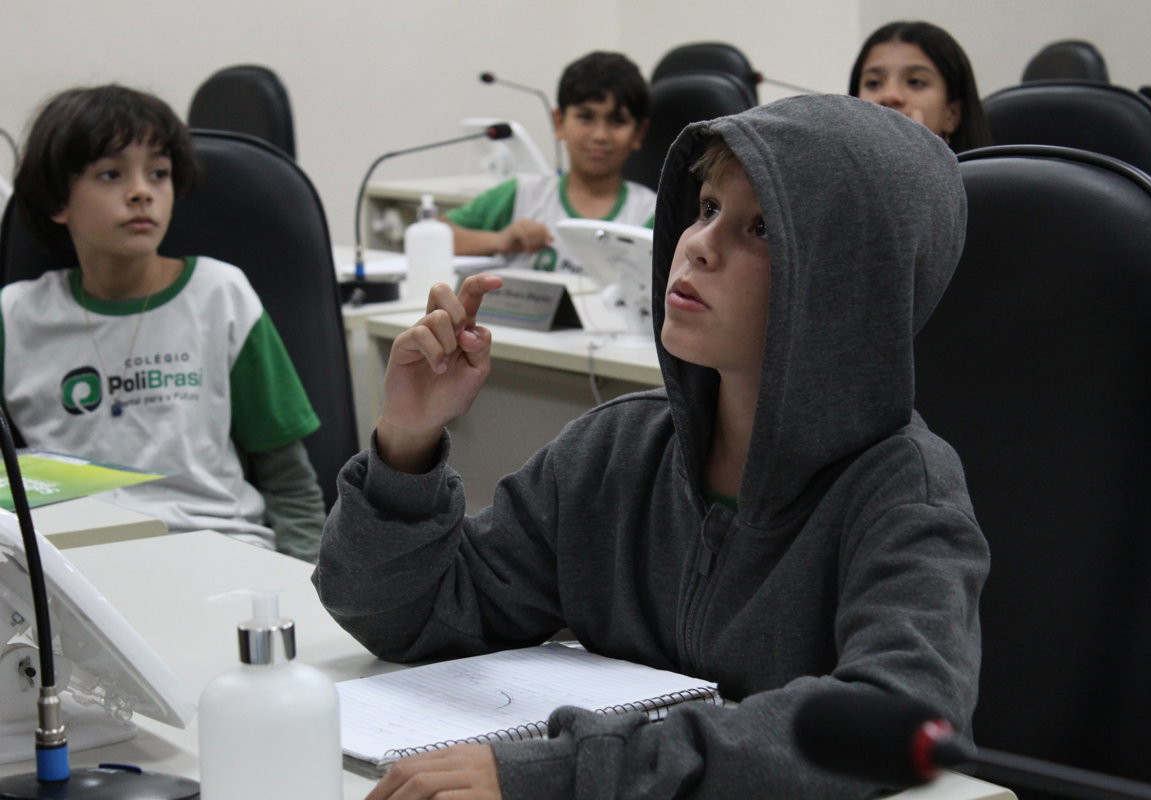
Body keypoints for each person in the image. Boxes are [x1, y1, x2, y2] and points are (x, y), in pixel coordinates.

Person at [314, 94, 988, 798]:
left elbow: (901, 721)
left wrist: (567, 774)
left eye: (760, 227)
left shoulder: (904, 490)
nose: (699, 243)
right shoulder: (618, 451)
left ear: (849, 287)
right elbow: (408, 619)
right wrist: (407, 444)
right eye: (705, 208)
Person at [3, 84, 326, 561]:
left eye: (159, 173)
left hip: (217, 548)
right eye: (111, 174)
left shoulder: (219, 294)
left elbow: (289, 479)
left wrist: (311, 584)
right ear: (58, 200)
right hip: (72, 564)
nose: (141, 192)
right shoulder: (15, 315)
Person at [446, 51, 656, 272]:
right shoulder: (522, 195)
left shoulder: (651, 214)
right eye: (585, 117)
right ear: (559, 122)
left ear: (639, 133)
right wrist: (498, 240)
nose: (599, 135)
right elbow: (436, 234)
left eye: (617, 121)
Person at [850, 20, 991, 152]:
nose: (890, 95)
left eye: (915, 82)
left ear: (952, 115)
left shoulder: (988, 178)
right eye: (873, 83)